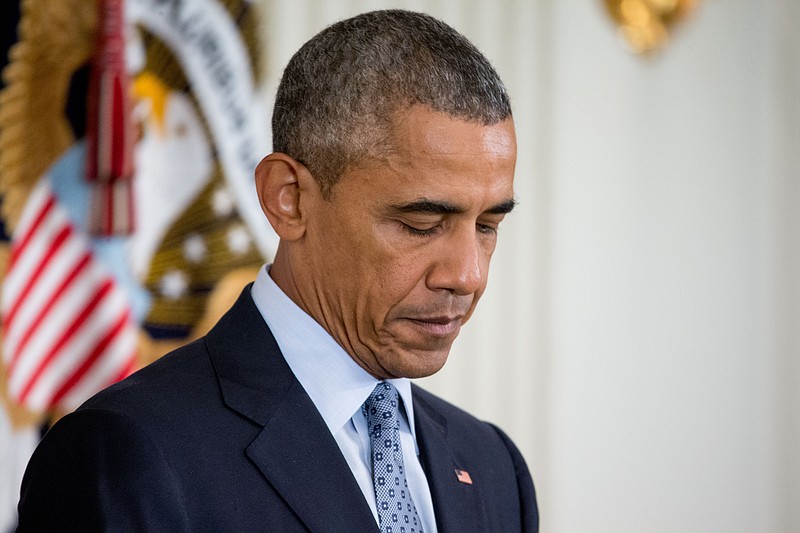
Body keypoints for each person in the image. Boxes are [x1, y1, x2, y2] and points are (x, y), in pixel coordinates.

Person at [16, 9, 538, 532]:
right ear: (288, 199)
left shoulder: (494, 466)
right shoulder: (124, 456)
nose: (468, 276)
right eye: (421, 223)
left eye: (488, 226)